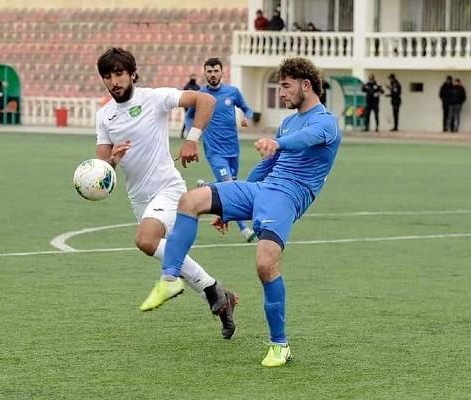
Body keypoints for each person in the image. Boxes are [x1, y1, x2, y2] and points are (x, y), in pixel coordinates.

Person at [144, 57, 341, 367]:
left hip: (289, 197)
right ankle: (170, 278)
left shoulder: (326, 121)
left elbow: (306, 139)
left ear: (306, 85)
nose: (281, 93)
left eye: (285, 86)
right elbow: (266, 167)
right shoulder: (288, 122)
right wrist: (233, 206)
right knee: (191, 200)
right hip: (263, 190)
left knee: (265, 265)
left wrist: (278, 143)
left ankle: (279, 345)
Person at [94, 47, 237, 339]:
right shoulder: (104, 116)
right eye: (107, 76)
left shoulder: (154, 98)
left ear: (132, 74)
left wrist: (192, 139)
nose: (114, 81)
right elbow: (101, 171)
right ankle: (219, 295)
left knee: (145, 240)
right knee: (168, 250)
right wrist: (113, 161)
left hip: (168, 189)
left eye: (119, 74)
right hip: (139, 198)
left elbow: (206, 100)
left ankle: (198, 287)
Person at [184, 57, 255, 242]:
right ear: (205, 73)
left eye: (216, 71)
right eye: (209, 71)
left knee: (230, 184)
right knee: (231, 187)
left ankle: (207, 187)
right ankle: (245, 229)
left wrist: (245, 117)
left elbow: (248, 110)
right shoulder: (201, 95)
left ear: (222, 72)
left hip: (233, 149)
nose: (213, 74)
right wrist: (193, 135)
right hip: (215, 151)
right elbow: (189, 117)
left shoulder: (233, 92)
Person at [180, 74, 200, 138]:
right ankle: (183, 132)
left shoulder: (197, 87)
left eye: (194, 77)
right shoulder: (187, 87)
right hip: (187, 107)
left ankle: (193, 134)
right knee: (187, 119)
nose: (193, 79)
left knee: (195, 121)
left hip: (195, 106)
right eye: (192, 77)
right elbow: (183, 96)